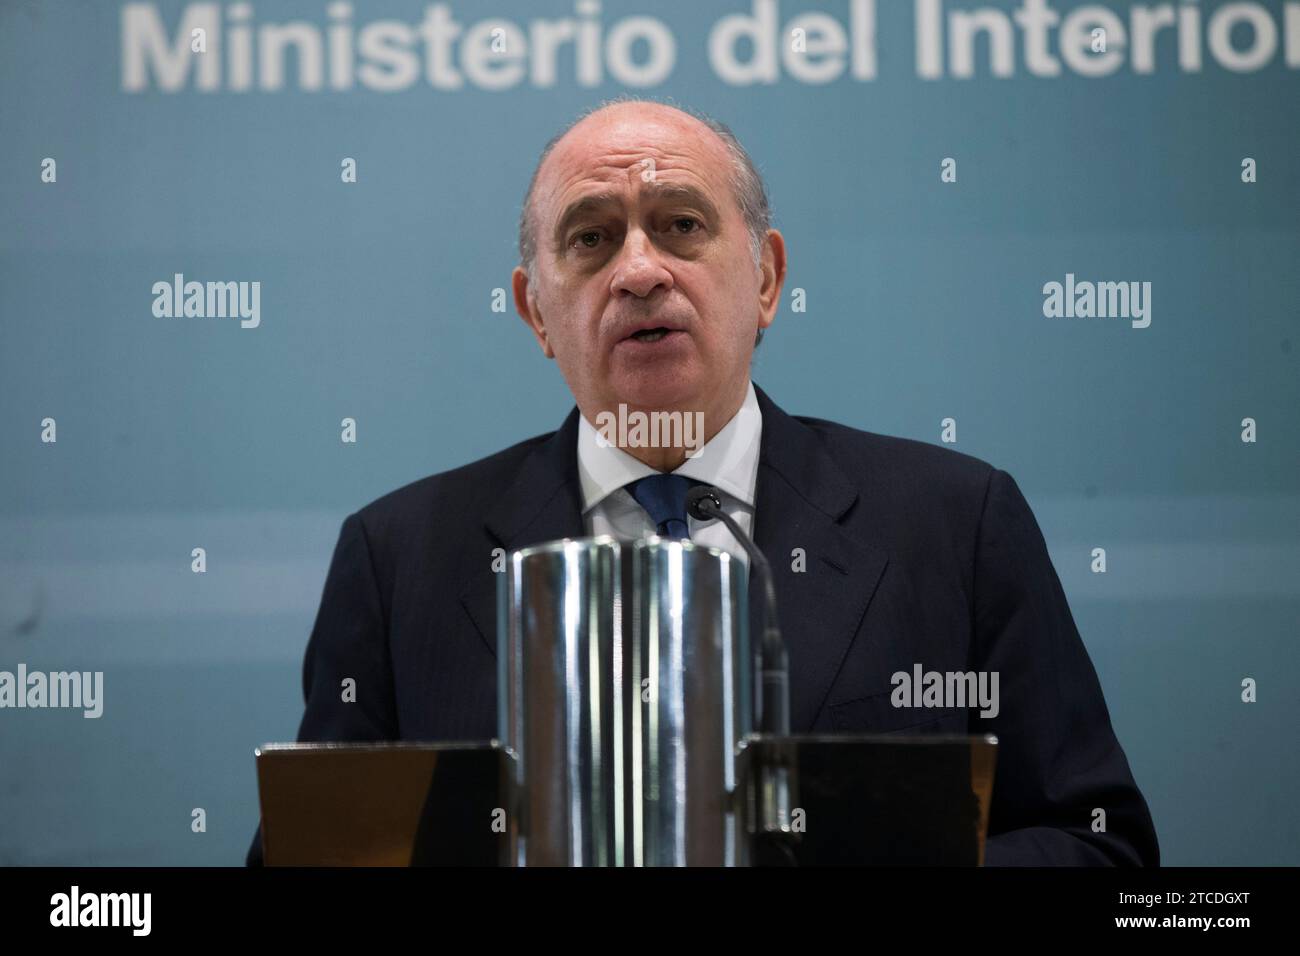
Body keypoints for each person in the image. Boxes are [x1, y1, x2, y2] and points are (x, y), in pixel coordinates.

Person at [247, 98, 1157, 866]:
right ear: (535, 310)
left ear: (766, 278)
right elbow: (312, 856)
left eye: (681, 224)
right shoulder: (399, 556)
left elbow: (1102, 842)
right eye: (592, 239)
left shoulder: (954, 523)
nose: (640, 271)